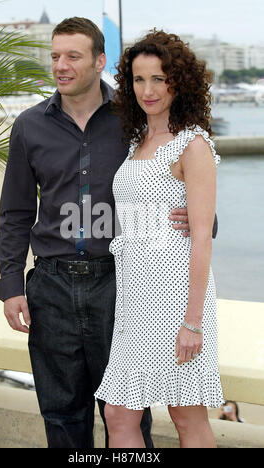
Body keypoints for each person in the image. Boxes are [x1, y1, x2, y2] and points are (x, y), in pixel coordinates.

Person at [0, 18, 193, 449]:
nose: (60, 65)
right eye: (55, 56)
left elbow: (178, 176)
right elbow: (15, 213)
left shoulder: (137, 120)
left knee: (127, 413)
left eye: (73, 56)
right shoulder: (29, 126)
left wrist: (199, 218)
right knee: (61, 414)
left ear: (100, 61)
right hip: (51, 286)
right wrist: (11, 286)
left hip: (121, 283)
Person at [95, 30, 225, 449]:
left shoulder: (193, 144)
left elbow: (201, 239)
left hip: (176, 301)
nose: (147, 90)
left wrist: (192, 323)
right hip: (135, 298)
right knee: (118, 413)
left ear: (177, 82)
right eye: (138, 79)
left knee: (186, 418)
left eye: (158, 79)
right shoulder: (138, 141)